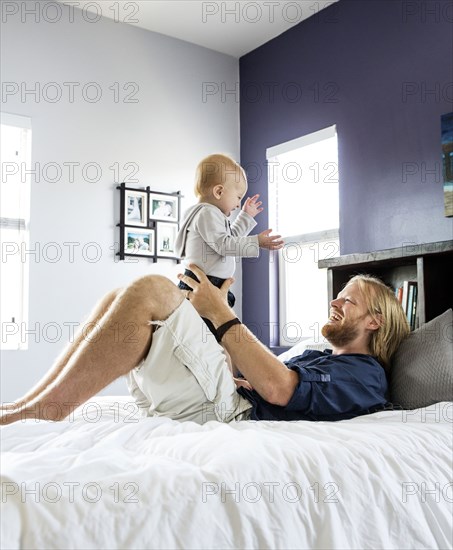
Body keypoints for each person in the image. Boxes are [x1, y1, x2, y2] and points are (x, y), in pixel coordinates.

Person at [0, 267, 410, 425]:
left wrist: (221, 316)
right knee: (118, 298)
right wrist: (210, 317)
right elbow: (256, 374)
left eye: (348, 299)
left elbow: (280, 389)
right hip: (224, 392)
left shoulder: (367, 376)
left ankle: (45, 411)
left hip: (232, 413)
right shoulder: (317, 355)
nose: (335, 302)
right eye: (338, 295)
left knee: (152, 292)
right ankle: (30, 404)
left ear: (374, 321)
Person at [175, 153, 283, 334]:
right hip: (204, 284)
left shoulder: (210, 214)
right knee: (206, 334)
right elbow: (225, 245)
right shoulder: (207, 213)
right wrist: (256, 242)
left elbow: (229, 239)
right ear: (219, 191)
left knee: (211, 334)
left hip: (213, 284)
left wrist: (246, 216)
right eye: (238, 197)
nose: (238, 204)